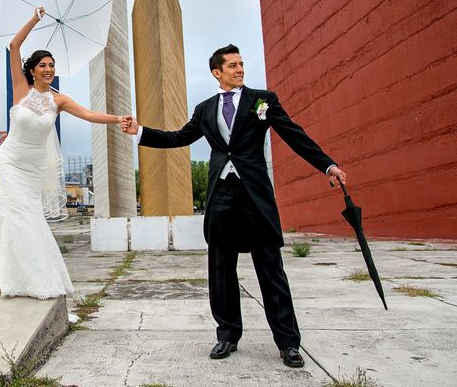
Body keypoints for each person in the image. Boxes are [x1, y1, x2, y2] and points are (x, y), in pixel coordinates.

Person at [121, 44, 346, 367]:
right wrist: (140, 131)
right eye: (233, 65)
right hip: (221, 196)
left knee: (270, 269)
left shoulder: (262, 101)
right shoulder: (205, 108)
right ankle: (227, 335)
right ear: (217, 72)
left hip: (255, 196)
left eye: (242, 64)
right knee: (221, 268)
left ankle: (288, 342)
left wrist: (327, 165)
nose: (240, 69)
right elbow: (178, 138)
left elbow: (294, 135)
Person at [0, 7, 126, 299]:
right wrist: (35, 18)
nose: (49, 69)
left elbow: (89, 115)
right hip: (11, 160)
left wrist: (117, 119)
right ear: (32, 70)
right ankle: (27, 279)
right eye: (43, 65)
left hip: (34, 167)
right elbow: (14, 46)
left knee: (13, 216)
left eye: (51, 64)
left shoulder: (59, 100)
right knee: (20, 215)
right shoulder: (21, 90)